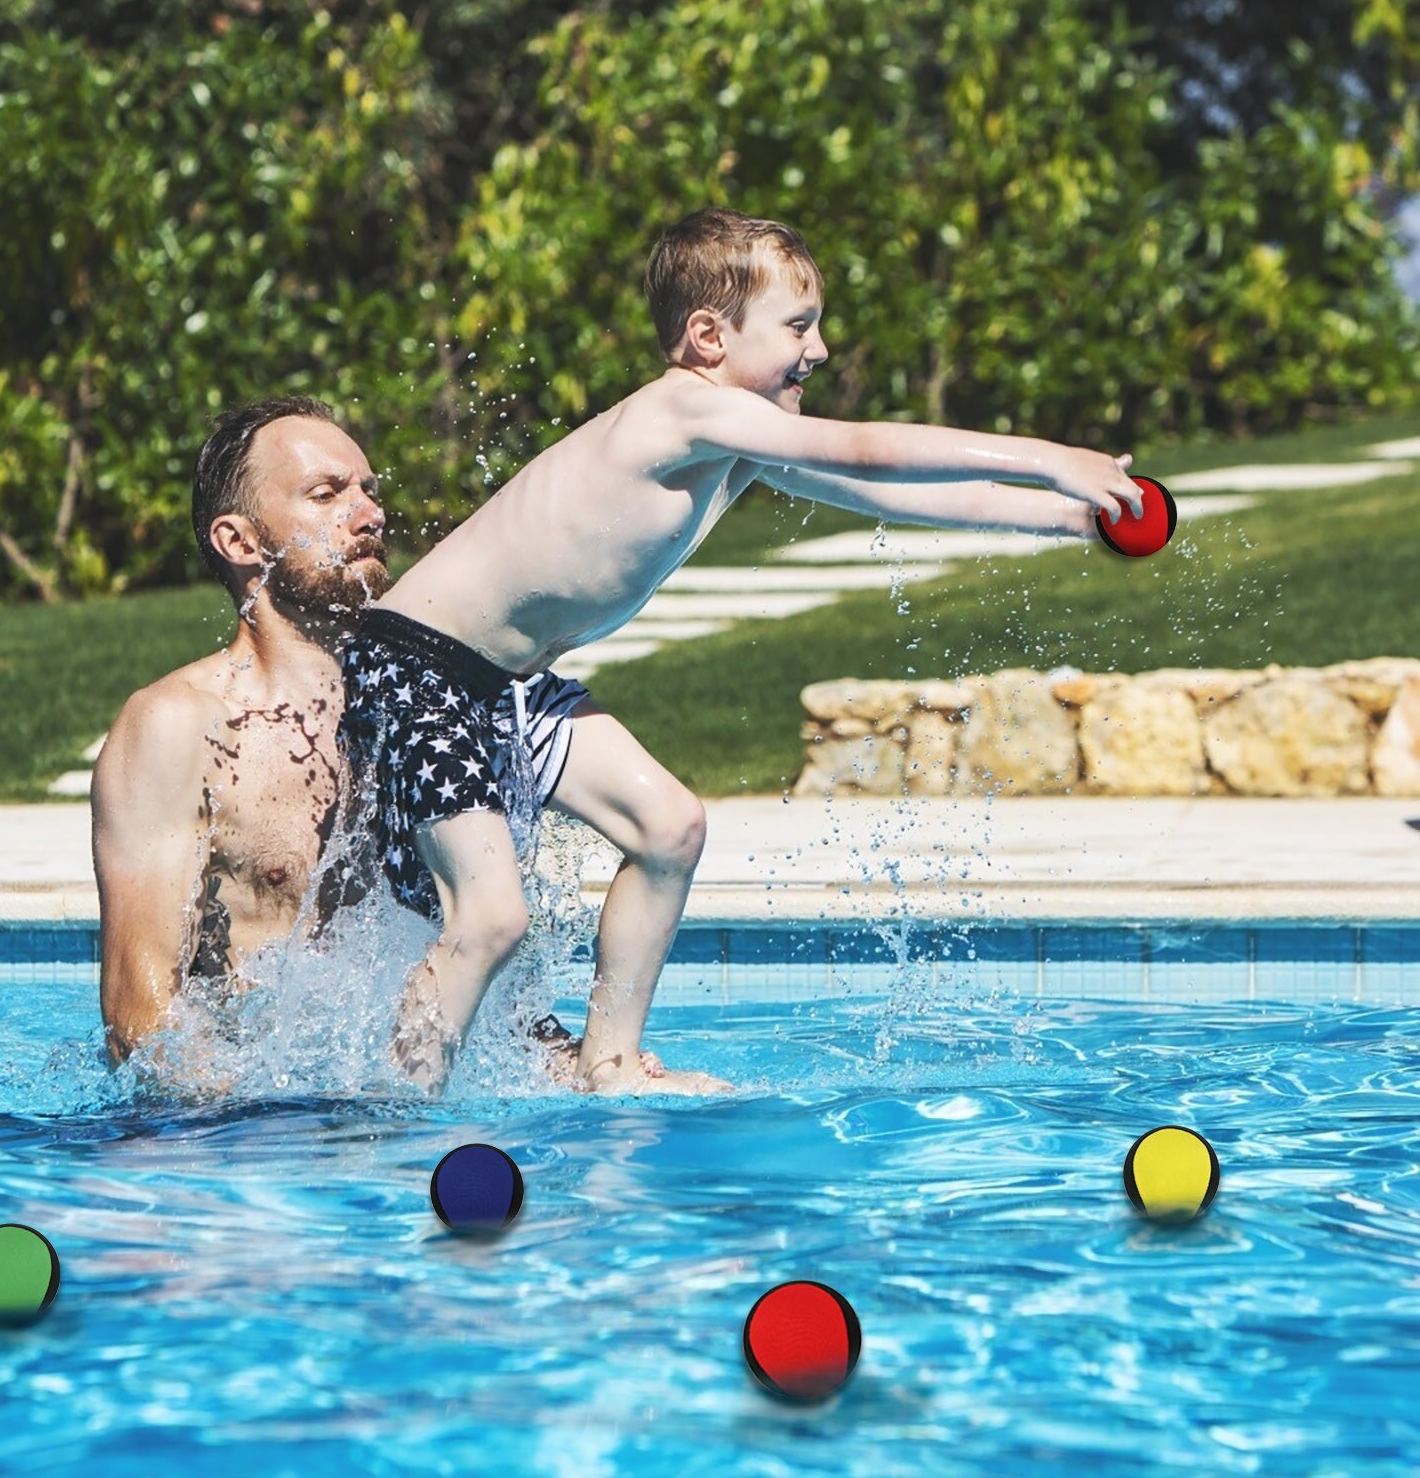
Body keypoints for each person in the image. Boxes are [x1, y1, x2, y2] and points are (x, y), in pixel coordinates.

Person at [341, 207, 1146, 1100]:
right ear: (707, 337)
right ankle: (393, 1121)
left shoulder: (729, 443)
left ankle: (607, 1065)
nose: (822, 350)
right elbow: (864, 442)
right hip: (415, 665)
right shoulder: (685, 410)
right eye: (799, 327)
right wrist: (1054, 458)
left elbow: (883, 486)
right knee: (488, 920)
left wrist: (1076, 519)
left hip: (503, 686)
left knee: (671, 829)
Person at [91, 397, 581, 1079]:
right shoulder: (179, 728)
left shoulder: (425, 710)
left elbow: (499, 997)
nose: (370, 515)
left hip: (406, 1103)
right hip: (258, 1130)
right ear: (240, 542)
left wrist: (585, 1072)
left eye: (369, 492)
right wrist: (288, 1148)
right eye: (327, 495)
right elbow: (142, 1024)